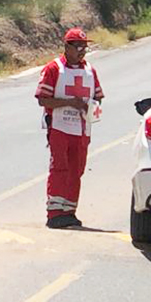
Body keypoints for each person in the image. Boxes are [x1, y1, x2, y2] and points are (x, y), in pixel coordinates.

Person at [35, 27, 104, 229]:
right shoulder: (53, 69)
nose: (82, 50)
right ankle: (55, 213)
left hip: (83, 129)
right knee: (60, 168)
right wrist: (69, 103)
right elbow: (42, 99)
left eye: (85, 47)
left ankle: (69, 211)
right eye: (78, 46)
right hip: (59, 127)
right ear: (67, 47)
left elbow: (98, 97)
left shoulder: (90, 71)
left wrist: (93, 108)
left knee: (77, 170)